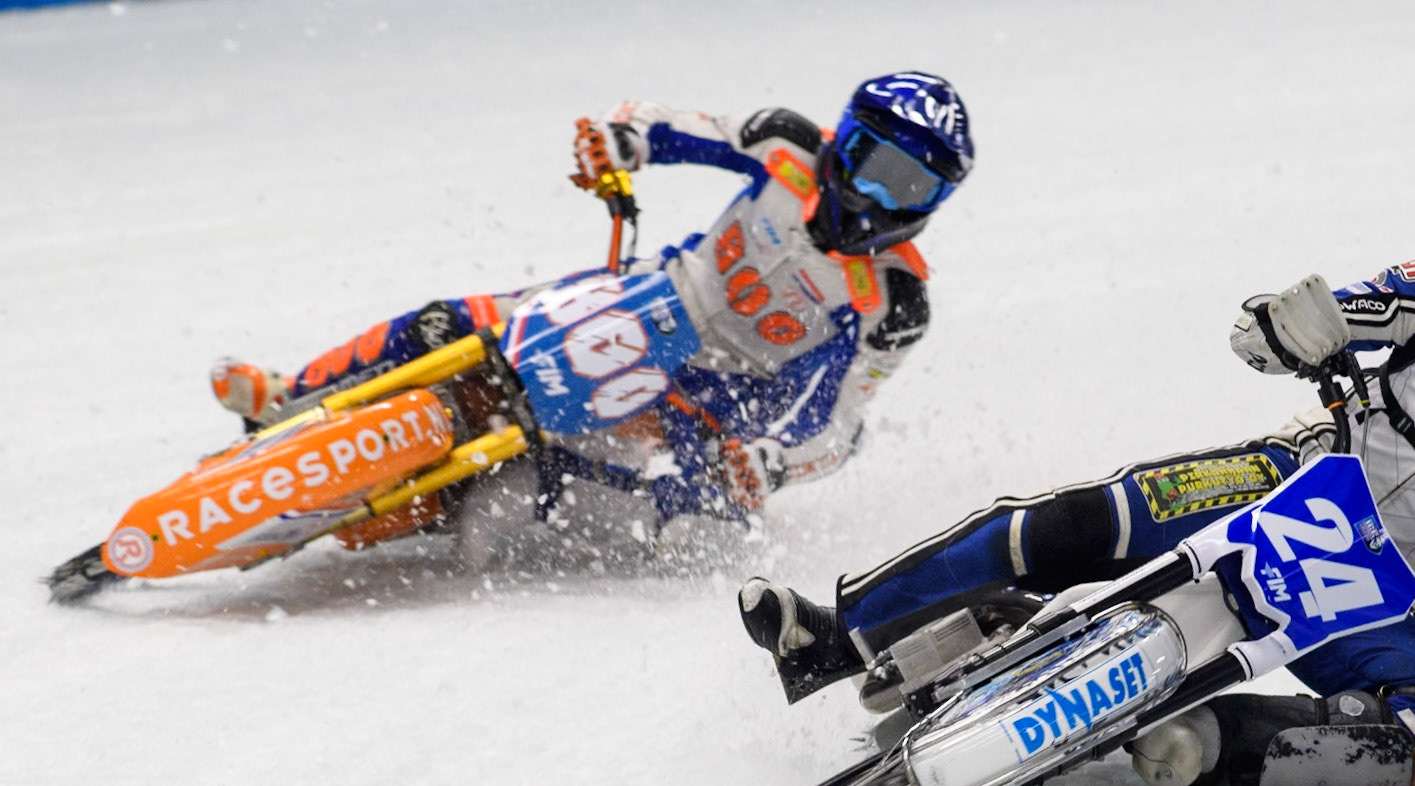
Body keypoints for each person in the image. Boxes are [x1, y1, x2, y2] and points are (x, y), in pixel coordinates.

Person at [740, 183, 1415, 786]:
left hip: (1372, 594)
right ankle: (835, 633)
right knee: (1070, 521)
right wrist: (1284, 328)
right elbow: (1319, 318)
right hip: (1287, 473)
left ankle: (1215, 737)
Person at [208, 72, 972, 551]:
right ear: (844, 141)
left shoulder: (894, 302)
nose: (874, 200)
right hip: (646, 295)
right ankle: (293, 396)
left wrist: (768, 461)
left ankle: (442, 503)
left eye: (909, 188)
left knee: (693, 526)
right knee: (454, 322)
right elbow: (670, 124)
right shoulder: (786, 145)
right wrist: (618, 140)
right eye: (873, 166)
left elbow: (841, 427)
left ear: (934, 202)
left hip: (713, 403)